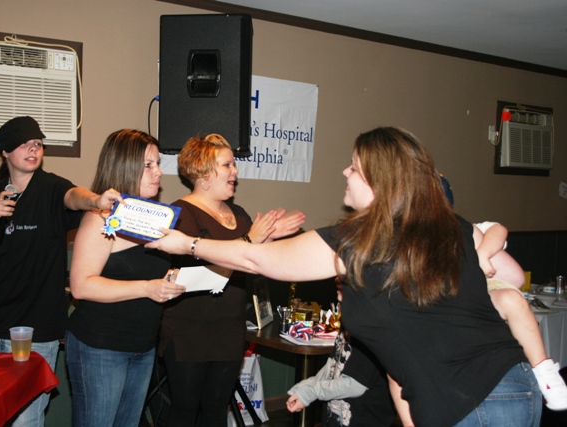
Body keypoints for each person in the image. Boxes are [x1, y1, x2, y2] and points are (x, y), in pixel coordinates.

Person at [148, 126, 543, 426]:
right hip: (516, 384)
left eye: (353, 166)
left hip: (470, 401)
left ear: (376, 179)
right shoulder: (451, 225)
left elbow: (255, 261)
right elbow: (401, 358)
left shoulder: (358, 240)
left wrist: (188, 244)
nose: (344, 171)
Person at [0, 116, 123, 427]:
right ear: (5, 152)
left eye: (37, 143)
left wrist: (95, 199)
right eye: (24, 144)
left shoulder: (51, 187)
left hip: (35, 330)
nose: (33, 149)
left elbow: (73, 196)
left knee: (26, 419)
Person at [157, 134, 305, 427]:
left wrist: (269, 239)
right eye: (227, 165)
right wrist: (251, 240)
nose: (235, 171)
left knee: (216, 412)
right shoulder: (181, 214)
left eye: (234, 164)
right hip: (189, 332)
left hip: (229, 331)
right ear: (204, 174)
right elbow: (202, 269)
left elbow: (250, 261)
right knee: (185, 412)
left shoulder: (238, 214)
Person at [64, 130, 187, 427]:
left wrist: (170, 280)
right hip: (100, 346)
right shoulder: (100, 217)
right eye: (148, 165)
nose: (159, 172)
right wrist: (147, 288)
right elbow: (81, 286)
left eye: (158, 164)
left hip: (143, 344)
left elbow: (146, 272)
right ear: (125, 166)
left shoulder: (156, 218)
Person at [441, 176, 567, 411]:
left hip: (486, 291)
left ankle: (544, 371)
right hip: (451, 308)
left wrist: (482, 255)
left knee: (513, 300)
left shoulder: (469, 229)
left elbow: (499, 229)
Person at [286, 280, 396, 427]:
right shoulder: (350, 320)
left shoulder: (372, 329)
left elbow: (353, 384)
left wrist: (311, 392)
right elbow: (332, 364)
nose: (337, 280)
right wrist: (308, 385)